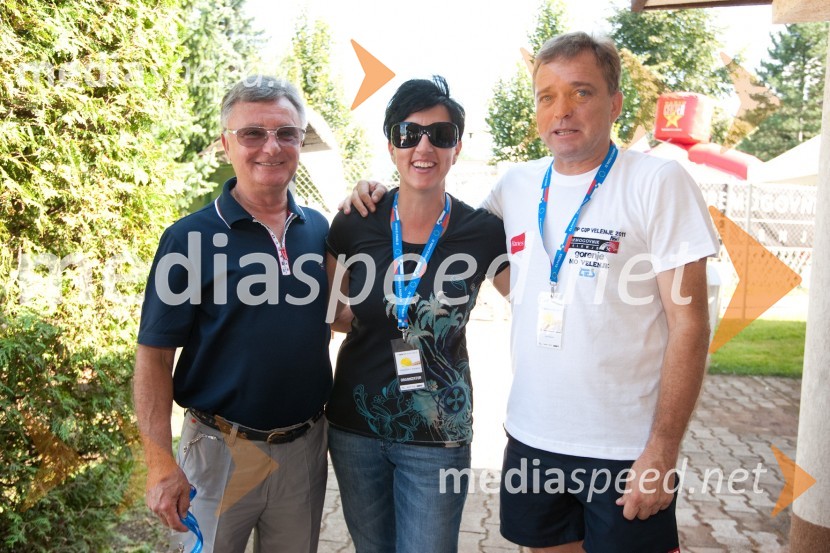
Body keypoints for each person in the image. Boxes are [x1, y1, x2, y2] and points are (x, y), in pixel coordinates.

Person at [344, 32, 718, 553]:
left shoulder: (657, 182)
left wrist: (662, 450)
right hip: (533, 438)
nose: (562, 110)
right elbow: (439, 222)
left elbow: (691, 325)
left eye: (581, 92)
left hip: (625, 448)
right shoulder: (515, 187)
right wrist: (374, 192)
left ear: (614, 103)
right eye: (547, 96)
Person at [133, 76, 332, 553]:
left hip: (305, 448)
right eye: (252, 134)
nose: (272, 146)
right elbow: (154, 359)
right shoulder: (189, 239)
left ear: (300, 142)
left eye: (287, 133)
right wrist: (160, 462)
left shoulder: (321, 230)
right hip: (218, 452)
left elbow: (338, 316)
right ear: (226, 145)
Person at [325, 75, 509, 553]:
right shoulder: (354, 221)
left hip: (438, 437)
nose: (423, 146)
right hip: (354, 428)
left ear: (457, 148)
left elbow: (533, 302)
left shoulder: (482, 232)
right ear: (391, 145)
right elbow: (331, 313)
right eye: (409, 134)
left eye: (440, 135)